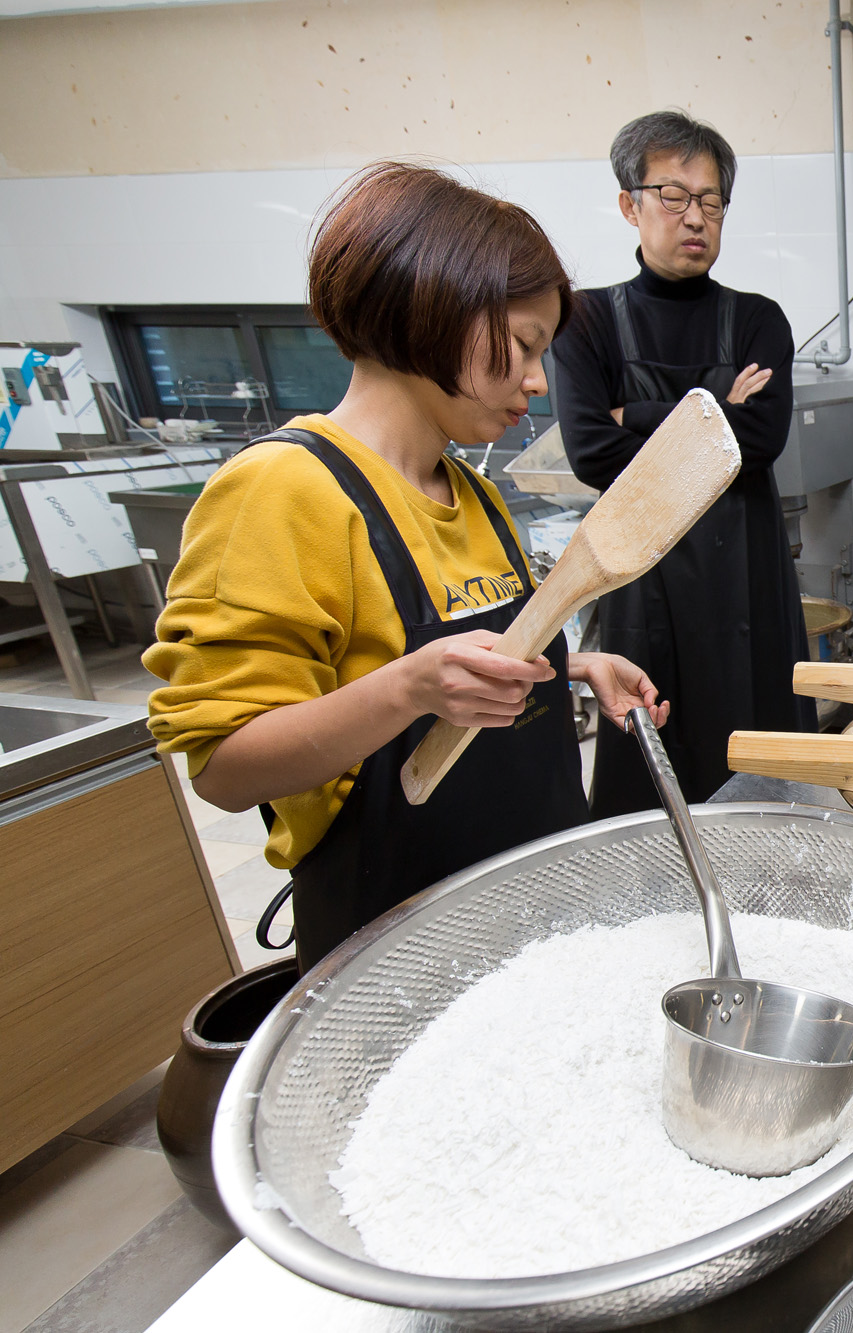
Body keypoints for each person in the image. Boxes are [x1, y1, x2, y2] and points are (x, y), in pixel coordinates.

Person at [146, 164, 670, 970]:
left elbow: (477, 657)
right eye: (525, 346)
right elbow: (223, 765)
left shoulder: (474, 492)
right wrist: (406, 689)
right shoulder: (283, 491)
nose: (537, 381)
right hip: (398, 950)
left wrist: (576, 664)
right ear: (434, 307)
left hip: (535, 920)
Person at [550, 109, 812, 812]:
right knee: (654, 779)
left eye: (711, 201)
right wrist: (714, 408)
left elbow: (759, 443)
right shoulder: (585, 321)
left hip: (748, 580)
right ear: (629, 205)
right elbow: (591, 451)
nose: (694, 217)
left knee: (765, 779)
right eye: (673, 195)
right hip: (644, 578)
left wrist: (633, 413)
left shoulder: (759, 319)